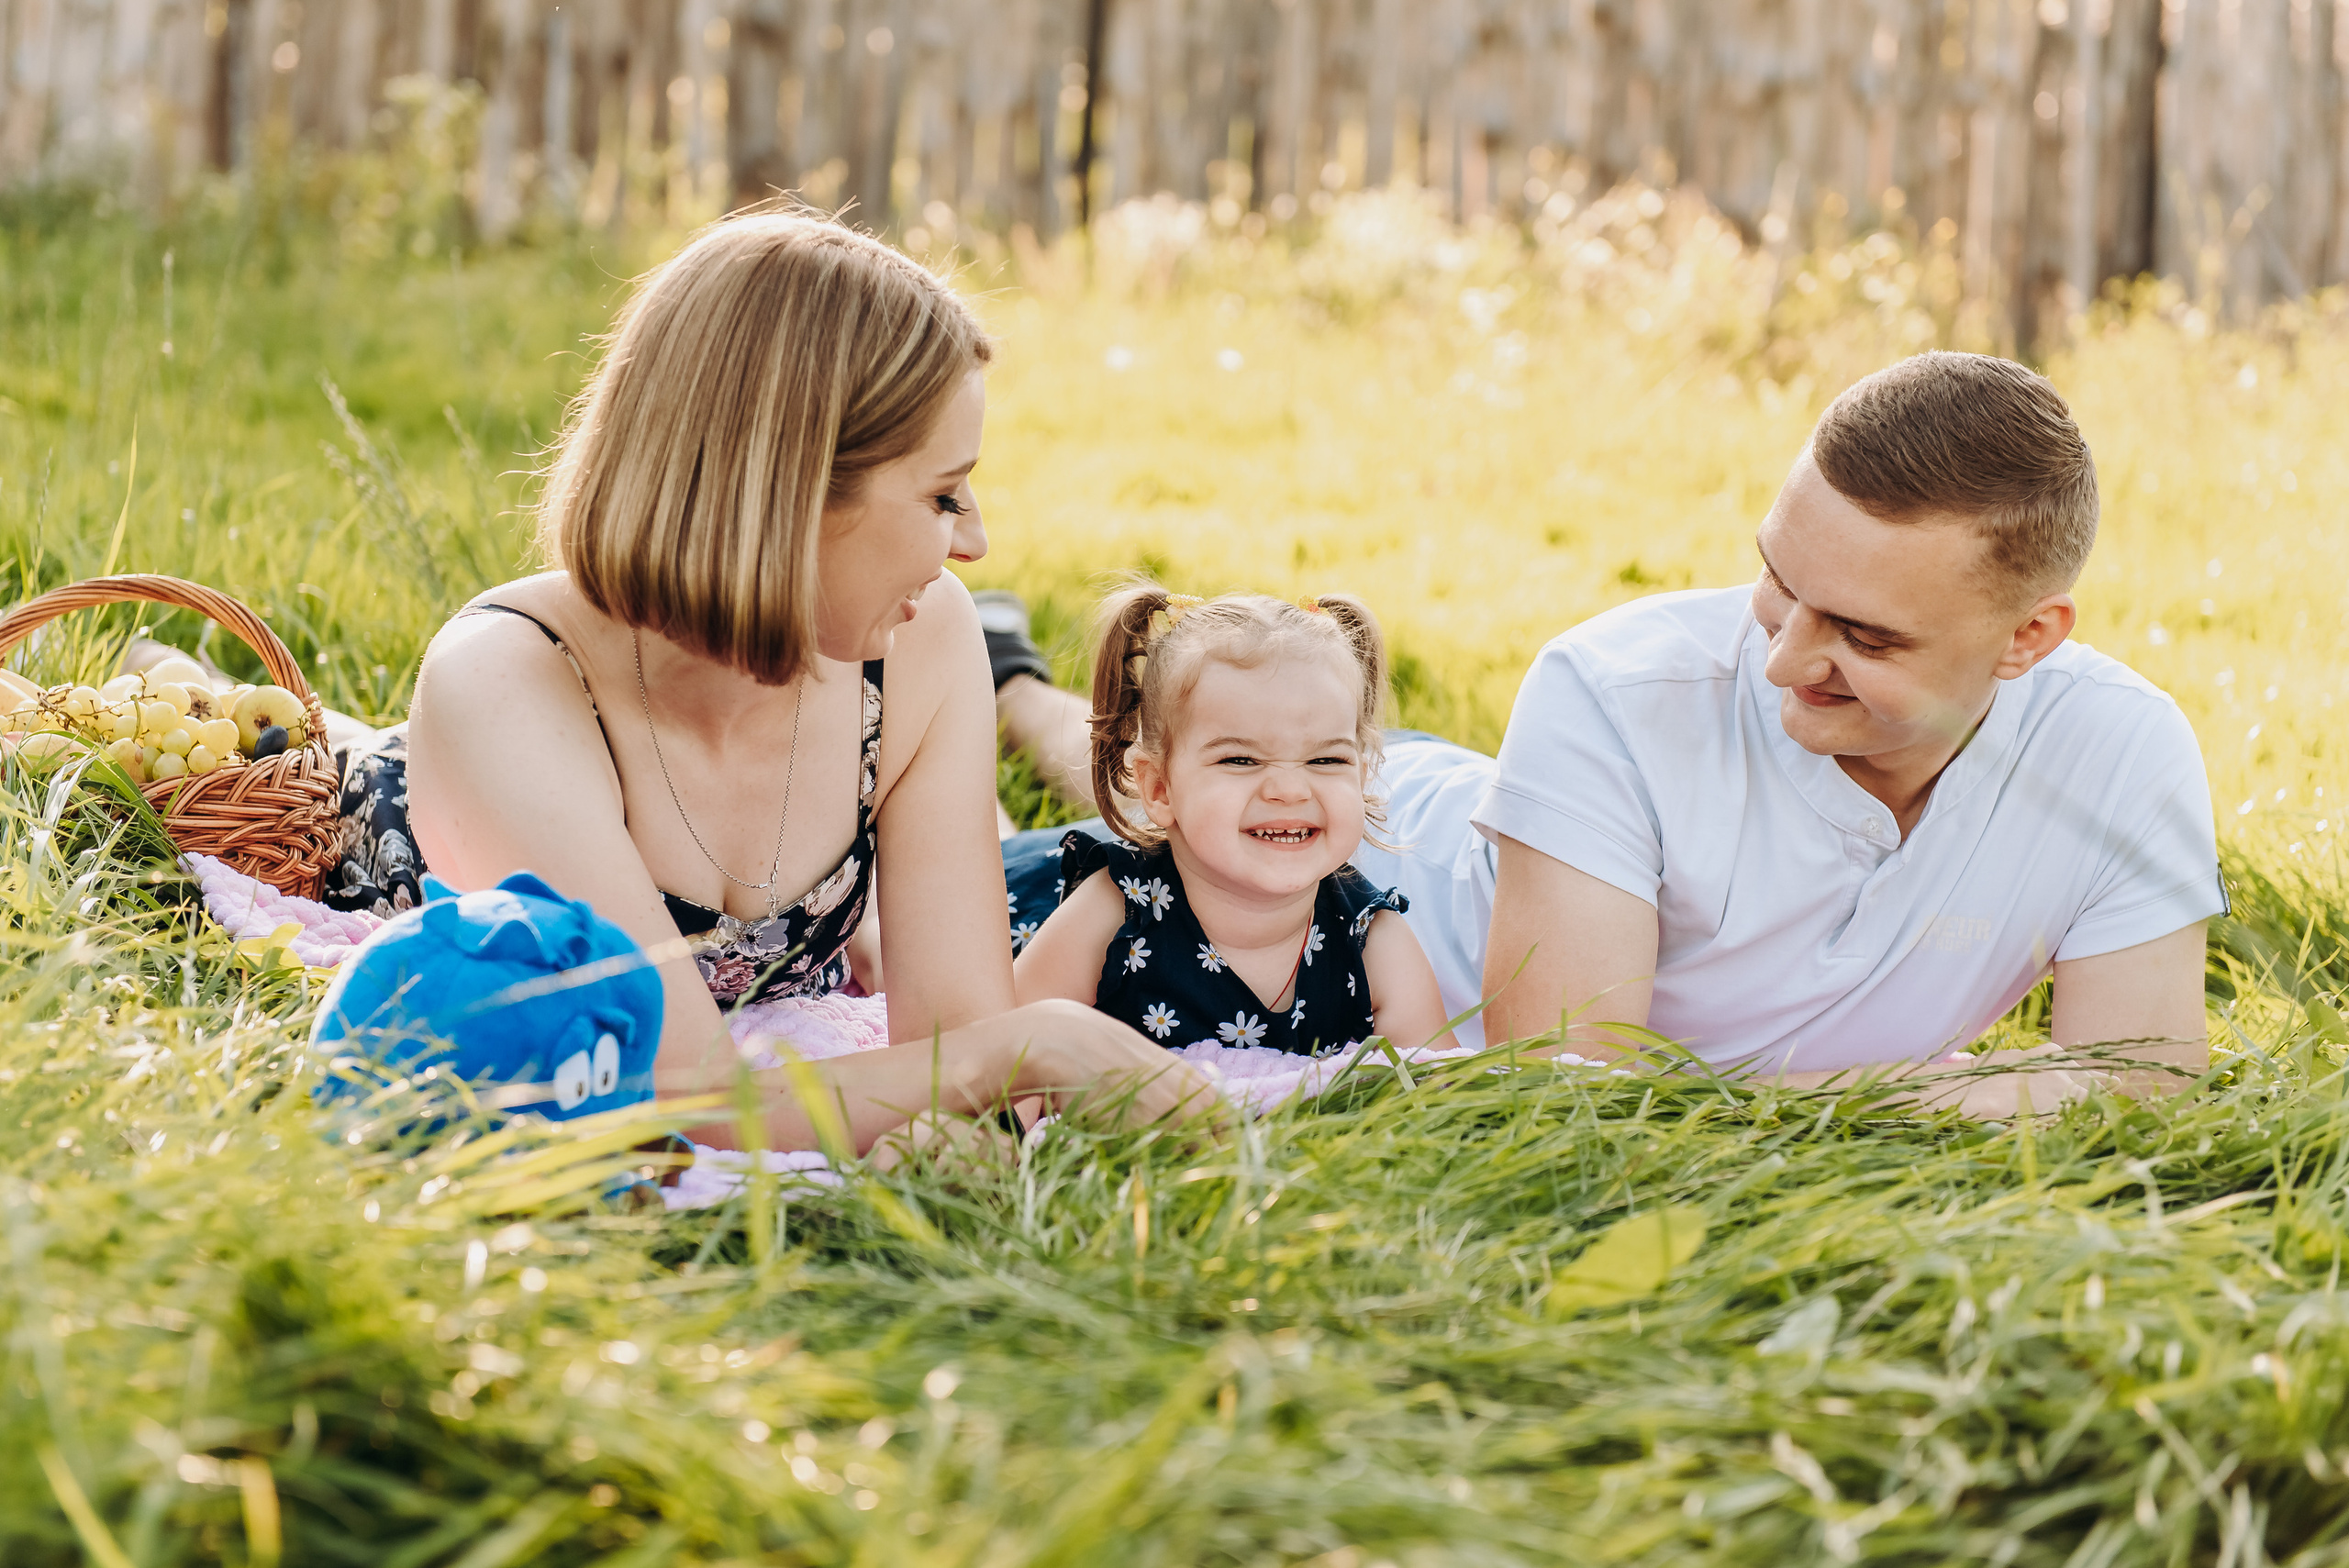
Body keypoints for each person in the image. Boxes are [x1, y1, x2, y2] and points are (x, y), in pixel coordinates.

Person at [370, 211, 1210, 1154]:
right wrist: (1036, 1043)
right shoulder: (508, 685)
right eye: (940, 495)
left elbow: (955, 1047)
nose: (974, 539)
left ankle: (1020, 691)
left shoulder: (923, 641)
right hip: (403, 810)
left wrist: (986, 1079)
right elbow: (678, 1089)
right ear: (792, 494)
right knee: (306, 750)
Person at [1353, 351, 2223, 1115]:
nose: (1781, 663)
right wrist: (1970, 1089)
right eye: (1777, 578)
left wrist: (1817, 1096)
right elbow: (1563, 1099)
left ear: (2027, 637)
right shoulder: (1611, 691)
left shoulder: (2121, 753)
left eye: (1865, 635)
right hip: (1332, 864)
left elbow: (2140, 1091)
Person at [1014, 586, 1455, 1057]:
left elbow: (1443, 1097)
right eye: (1241, 760)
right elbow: (1007, 1062)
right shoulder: (1115, 913)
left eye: (1326, 760)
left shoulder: (1372, 943)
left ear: (1362, 777)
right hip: (1018, 908)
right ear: (1159, 788)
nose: (1290, 790)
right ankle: (1003, 680)